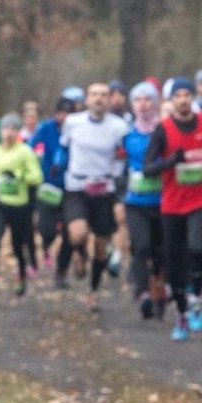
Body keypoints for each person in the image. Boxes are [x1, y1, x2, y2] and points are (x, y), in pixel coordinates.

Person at [144, 77, 202, 340]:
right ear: (170, 100)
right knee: (173, 261)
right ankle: (180, 314)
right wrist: (170, 162)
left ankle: (196, 297)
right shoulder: (163, 128)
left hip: (201, 200)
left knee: (196, 248)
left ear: (192, 98)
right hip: (172, 204)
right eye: (177, 95)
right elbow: (148, 169)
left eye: (187, 94)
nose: (183, 99)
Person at [61, 82, 130, 311]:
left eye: (103, 95)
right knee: (77, 233)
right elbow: (63, 149)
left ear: (110, 99)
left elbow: (123, 157)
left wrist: (119, 187)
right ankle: (79, 253)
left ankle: (93, 291)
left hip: (104, 188)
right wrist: (56, 168)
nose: (99, 99)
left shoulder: (119, 127)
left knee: (101, 246)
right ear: (86, 100)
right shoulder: (72, 123)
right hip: (77, 186)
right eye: (94, 95)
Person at [0, 113, 44, 302]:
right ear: (0, 131)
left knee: (17, 247)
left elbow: (37, 177)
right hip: (0, 204)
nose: (9, 133)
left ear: (18, 132)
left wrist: (18, 176)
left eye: (13, 129)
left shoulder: (25, 152)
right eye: (5, 128)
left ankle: (21, 275)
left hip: (20, 207)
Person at [123, 82, 167, 319]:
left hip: (163, 201)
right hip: (135, 202)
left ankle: (159, 288)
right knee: (141, 246)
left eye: (147, 99)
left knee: (160, 250)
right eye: (137, 99)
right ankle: (142, 293)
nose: (142, 104)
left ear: (156, 103)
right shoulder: (126, 134)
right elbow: (118, 165)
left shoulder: (165, 131)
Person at [28, 96, 76, 280]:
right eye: (61, 113)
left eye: (68, 114)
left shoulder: (78, 131)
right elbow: (30, 146)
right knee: (45, 229)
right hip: (48, 186)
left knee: (70, 233)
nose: (64, 118)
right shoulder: (46, 128)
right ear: (56, 114)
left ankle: (61, 272)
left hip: (71, 188)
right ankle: (47, 244)